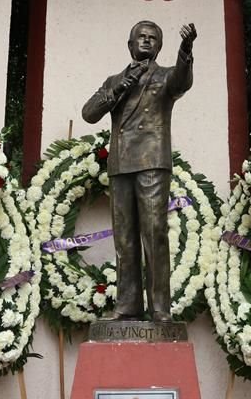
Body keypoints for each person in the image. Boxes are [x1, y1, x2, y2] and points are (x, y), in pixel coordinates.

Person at [82, 20, 196, 322]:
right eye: (141, 37)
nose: (146, 41)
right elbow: (89, 113)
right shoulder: (114, 80)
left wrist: (186, 49)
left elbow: (181, 81)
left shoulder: (165, 76)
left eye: (153, 38)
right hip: (121, 163)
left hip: (152, 161)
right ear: (130, 44)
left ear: (159, 46)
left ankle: (159, 308)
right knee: (125, 237)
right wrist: (121, 86)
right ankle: (128, 305)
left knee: (154, 232)